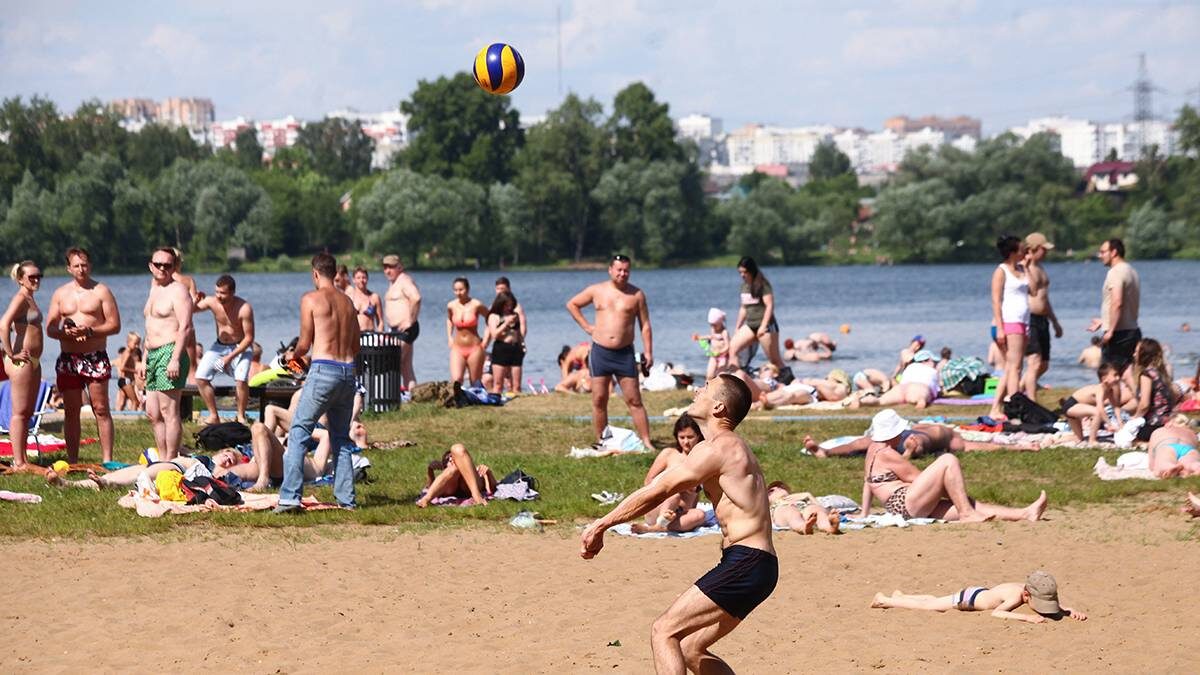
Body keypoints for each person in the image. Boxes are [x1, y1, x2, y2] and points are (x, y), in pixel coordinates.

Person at [581, 373, 775, 674]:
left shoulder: (720, 448)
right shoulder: (726, 446)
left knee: (664, 631)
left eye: (706, 388)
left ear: (719, 407)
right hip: (758, 565)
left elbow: (658, 491)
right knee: (690, 650)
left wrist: (601, 524)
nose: (698, 390)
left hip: (747, 562)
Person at [275, 253, 362, 513]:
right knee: (341, 438)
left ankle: (289, 498)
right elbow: (356, 345)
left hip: (324, 370)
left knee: (299, 431)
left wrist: (291, 357)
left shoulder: (310, 299)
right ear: (335, 273)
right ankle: (347, 500)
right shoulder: (348, 302)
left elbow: (304, 343)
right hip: (348, 371)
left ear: (315, 273)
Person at [859, 410, 1047, 522]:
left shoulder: (873, 450)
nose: (902, 435)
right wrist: (950, 489)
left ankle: (1024, 514)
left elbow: (868, 482)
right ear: (893, 433)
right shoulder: (888, 454)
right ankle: (967, 514)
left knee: (967, 505)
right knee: (948, 460)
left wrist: (864, 513)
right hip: (905, 503)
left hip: (901, 508)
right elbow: (918, 479)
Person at [566, 254, 655, 451]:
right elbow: (572, 304)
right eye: (619, 270)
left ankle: (647, 441)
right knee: (599, 399)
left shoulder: (636, 295)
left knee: (634, 399)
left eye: (626, 271)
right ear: (610, 270)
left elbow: (645, 325)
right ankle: (602, 440)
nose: (622, 274)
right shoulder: (596, 290)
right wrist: (587, 327)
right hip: (600, 352)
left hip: (624, 353)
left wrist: (648, 352)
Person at [44, 247, 121, 462]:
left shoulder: (101, 291)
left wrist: (90, 331)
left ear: (90, 266)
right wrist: (64, 333)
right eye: (76, 265)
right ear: (69, 268)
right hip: (69, 358)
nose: (81, 269)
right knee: (71, 410)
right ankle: (72, 460)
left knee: (101, 408)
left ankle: (107, 459)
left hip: (95, 356)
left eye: (84, 264)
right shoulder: (60, 294)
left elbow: (115, 325)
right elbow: (50, 328)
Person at [871, 570, 1086, 624]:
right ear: (1027, 595)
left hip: (978, 593)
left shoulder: (1026, 589)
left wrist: (1067, 611)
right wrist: (1027, 618)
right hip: (968, 600)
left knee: (934, 600)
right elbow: (997, 614)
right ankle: (885, 600)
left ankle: (902, 595)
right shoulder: (1015, 596)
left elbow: (1048, 601)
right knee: (929, 606)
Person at [139, 248, 192, 460]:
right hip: (152, 353)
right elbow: (150, 326)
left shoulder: (178, 290)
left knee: (169, 410)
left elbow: (185, 327)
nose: (162, 268)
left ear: (174, 267)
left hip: (170, 351)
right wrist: (144, 359)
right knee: (153, 413)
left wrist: (175, 359)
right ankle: (162, 459)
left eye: (167, 265)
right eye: (158, 264)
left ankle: (171, 460)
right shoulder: (154, 288)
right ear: (151, 266)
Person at [806, 416, 1037, 458]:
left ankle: (825, 452)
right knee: (861, 443)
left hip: (924, 437)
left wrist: (1020, 447)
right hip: (916, 432)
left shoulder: (944, 437)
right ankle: (825, 451)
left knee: (862, 443)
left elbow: (978, 446)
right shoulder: (921, 432)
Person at [630, 414, 709, 534]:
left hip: (680, 513)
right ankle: (659, 524)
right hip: (659, 507)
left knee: (700, 515)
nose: (686, 442)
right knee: (673, 495)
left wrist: (693, 488)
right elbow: (648, 481)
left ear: (698, 436)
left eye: (690, 437)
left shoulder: (702, 459)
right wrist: (676, 484)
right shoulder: (669, 454)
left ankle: (657, 528)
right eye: (682, 437)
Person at [193, 275, 256, 425]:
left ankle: (240, 416)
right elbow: (190, 311)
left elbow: (249, 338)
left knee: (241, 378)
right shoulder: (212, 301)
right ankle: (213, 415)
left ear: (232, 292)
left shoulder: (244, 308)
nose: (219, 296)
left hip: (241, 346)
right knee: (200, 377)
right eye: (217, 292)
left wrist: (229, 358)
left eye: (223, 293)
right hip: (219, 346)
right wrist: (195, 301)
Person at [1, 261, 44, 471]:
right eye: (31, 277)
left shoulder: (29, 298)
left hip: (33, 361)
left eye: (38, 276)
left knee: (27, 412)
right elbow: (3, 324)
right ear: (20, 279)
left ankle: (24, 458)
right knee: (19, 412)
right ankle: (19, 461)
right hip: (21, 361)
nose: (36, 280)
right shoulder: (20, 298)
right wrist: (11, 353)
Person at [988, 235, 1029, 421]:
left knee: (1012, 367)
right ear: (1012, 252)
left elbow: (1033, 289)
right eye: (1021, 249)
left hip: (1024, 321)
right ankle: (1014, 407)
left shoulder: (1022, 269)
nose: (1025, 252)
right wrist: (1000, 328)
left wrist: (1028, 266)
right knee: (1015, 367)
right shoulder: (1001, 271)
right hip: (1009, 321)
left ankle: (996, 407)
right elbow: (996, 301)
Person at [1088, 238, 1140, 372]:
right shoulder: (1131, 271)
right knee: (1127, 373)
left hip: (1118, 334)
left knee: (1109, 375)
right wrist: (1104, 320)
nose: (1100, 256)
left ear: (1114, 252)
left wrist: (1110, 330)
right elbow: (1126, 305)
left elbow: (1117, 302)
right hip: (1132, 331)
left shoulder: (1115, 272)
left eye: (1103, 252)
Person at [1021, 233, 1063, 398]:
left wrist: (1055, 322)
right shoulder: (1024, 268)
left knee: (1044, 364)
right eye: (1043, 249)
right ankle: (1031, 401)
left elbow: (1044, 299)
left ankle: (1017, 391)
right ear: (1034, 249)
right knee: (1034, 361)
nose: (1046, 252)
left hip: (1043, 319)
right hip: (1030, 319)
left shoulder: (1041, 268)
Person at [728, 256, 784, 370]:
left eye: (745, 272)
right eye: (740, 272)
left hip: (767, 327)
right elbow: (743, 308)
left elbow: (770, 306)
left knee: (775, 361)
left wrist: (763, 326)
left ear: (751, 271)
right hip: (750, 326)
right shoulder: (744, 286)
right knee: (732, 349)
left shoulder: (763, 285)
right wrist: (737, 327)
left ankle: (789, 379)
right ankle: (737, 378)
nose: (742, 275)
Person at [1059, 363, 1130, 443]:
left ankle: (1055, 440)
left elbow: (1116, 406)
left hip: (1074, 408)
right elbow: (1100, 408)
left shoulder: (1110, 391)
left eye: (1118, 375)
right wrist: (1109, 424)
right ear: (1104, 379)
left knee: (1079, 438)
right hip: (1071, 405)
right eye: (1115, 375)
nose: (1118, 378)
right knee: (1096, 412)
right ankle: (1092, 440)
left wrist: (1120, 423)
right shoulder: (1100, 389)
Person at [849, 350, 940, 409]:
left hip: (901, 388)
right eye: (934, 361)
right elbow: (937, 390)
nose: (935, 364)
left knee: (880, 401)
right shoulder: (933, 371)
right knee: (921, 397)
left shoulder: (910, 367)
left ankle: (861, 402)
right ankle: (920, 403)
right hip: (919, 387)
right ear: (926, 360)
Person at [382, 254, 421, 390]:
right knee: (406, 366)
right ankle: (412, 396)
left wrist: (410, 320)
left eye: (391, 267)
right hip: (395, 331)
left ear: (399, 267)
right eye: (385, 267)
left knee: (392, 363)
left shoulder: (404, 280)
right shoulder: (394, 282)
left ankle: (392, 396)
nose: (388, 271)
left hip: (406, 329)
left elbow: (416, 298)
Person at [416, 443, 494, 508]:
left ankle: (476, 494)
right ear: (444, 467)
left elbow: (493, 488)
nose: (453, 459)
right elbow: (429, 488)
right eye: (448, 459)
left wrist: (488, 473)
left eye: (455, 457)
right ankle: (426, 499)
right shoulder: (445, 475)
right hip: (451, 487)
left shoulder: (475, 471)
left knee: (457, 448)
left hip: (471, 486)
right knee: (454, 468)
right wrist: (430, 470)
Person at [446, 277, 488, 387]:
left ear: (468, 289)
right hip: (457, 347)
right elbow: (449, 320)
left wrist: (486, 339)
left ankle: (476, 396)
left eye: (461, 290)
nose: (458, 293)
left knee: (475, 381)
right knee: (456, 380)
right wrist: (449, 336)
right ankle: (458, 397)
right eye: (455, 290)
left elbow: (490, 318)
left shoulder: (476, 304)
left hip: (474, 347)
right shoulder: (451, 305)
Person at [1131, 338, 1175, 443]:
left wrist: (1134, 419)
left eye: (1136, 352)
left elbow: (1144, 405)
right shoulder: (1161, 373)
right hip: (1166, 421)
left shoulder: (1146, 375)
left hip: (1153, 425)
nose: (1133, 355)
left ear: (1144, 354)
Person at [168, 248, 201, 385]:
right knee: (192, 367)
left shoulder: (162, 281)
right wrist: (197, 300)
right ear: (179, 262)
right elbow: (192, 308)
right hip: (187, 327)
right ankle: (193, 395)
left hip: (169, 328)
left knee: (168, 364)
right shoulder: (188, 281)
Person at [484, 291, 523, 395]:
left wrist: (522, 346)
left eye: (510, 305)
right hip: (501, 348)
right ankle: (496, 398)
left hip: (515, 348)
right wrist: (506, 323)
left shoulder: (515, 315)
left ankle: (517, 400)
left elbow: (518, 333)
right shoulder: (494, 316)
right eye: (506, 305)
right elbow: (494, 335)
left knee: (516, 385)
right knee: (498, 384)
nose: (508, 308)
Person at [766, 481, 841, 535]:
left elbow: (821, 507)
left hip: (803, 507)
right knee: (791, 512)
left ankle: (829, 527)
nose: (777, 489)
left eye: (781, 487)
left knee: (815, 509)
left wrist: (808, 495)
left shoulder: (800, 499)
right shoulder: (772, 506)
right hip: (783, 509)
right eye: (771, 490)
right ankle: (803, 527)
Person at [493, 276, 527, 392]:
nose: (500, 291)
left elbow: (522, 328)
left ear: (509, 289)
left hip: (515, 346)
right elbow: (491, 331)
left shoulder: (516, 309)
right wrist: (483, 345)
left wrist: (521, 343)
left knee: (515, 383)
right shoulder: (494, 310)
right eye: (498, 289)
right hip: (501, 347)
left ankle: (515, 397)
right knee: (499, 382)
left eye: (502, 288)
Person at [693, 308, 730, 382]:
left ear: (720, 322)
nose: (713, 327)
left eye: (715, 325)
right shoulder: (713, 330)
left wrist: (720, 352)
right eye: (711, 325)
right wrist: (700, 337)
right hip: (713, 355)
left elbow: (728, 346)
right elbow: (710, 336)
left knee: (720, 375)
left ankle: (720, 387)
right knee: (709, 375)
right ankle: (707, 387)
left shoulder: (724, 332)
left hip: (723, 357)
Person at [347, 266, 383, 333]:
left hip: (370, 334)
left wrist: (380, 335)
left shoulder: (374, 297)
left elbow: (380, 321)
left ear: (367, 279)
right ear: (353, 280)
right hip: (354, 334)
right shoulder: (349, 298)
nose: (361, 280)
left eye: (364, 277)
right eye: (358, 278)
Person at [114, 333, 143, 411]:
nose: (137, 346)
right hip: (126, 380)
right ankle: (134, 417)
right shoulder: (127, 353)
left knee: (122, 402)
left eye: (138, 344)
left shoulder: (130, 353)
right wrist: (135, 371)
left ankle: (118, 416)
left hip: (124, 380)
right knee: (135, 402)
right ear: (128, 342)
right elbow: (122, 367)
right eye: (135, 344)